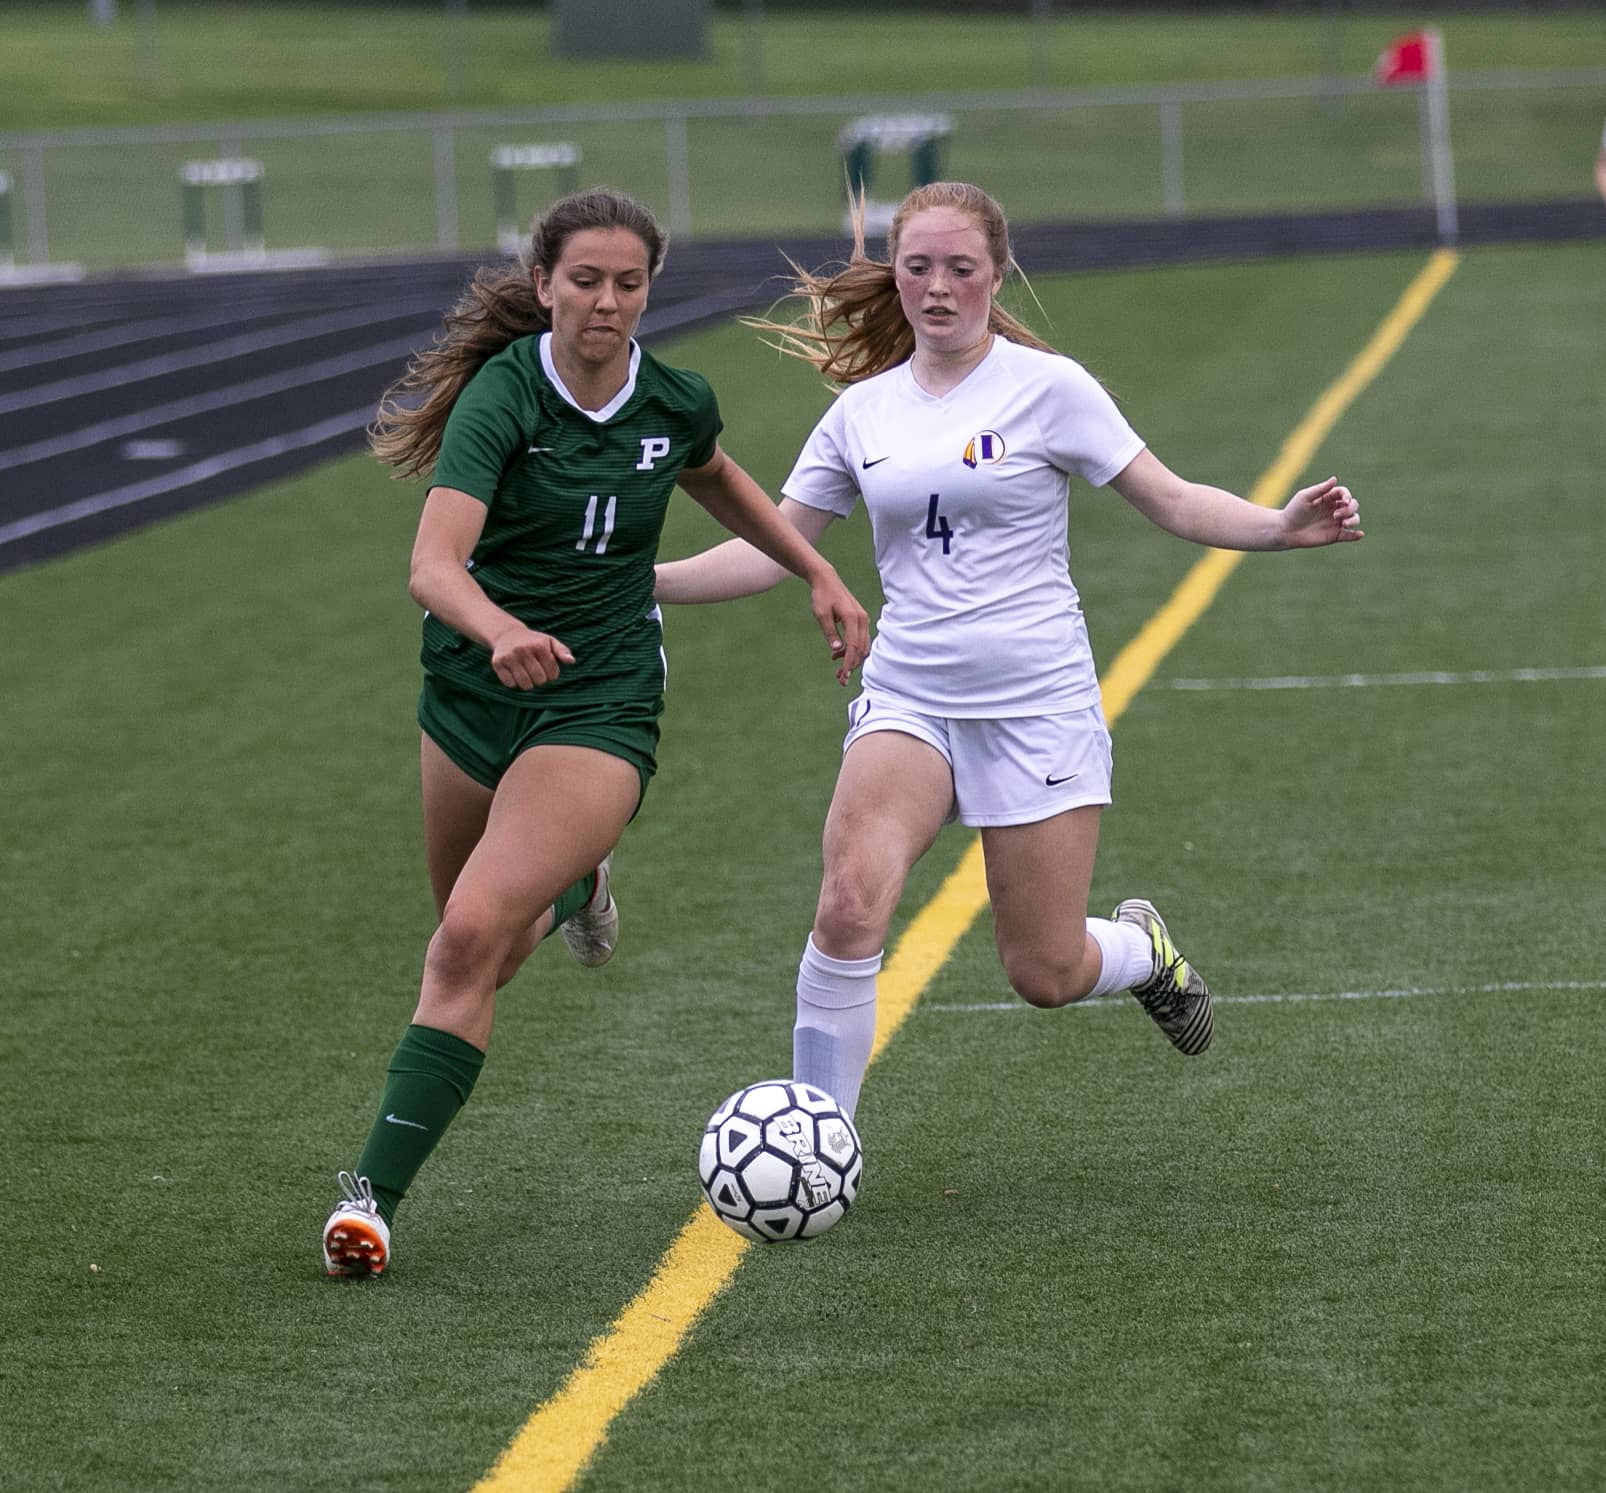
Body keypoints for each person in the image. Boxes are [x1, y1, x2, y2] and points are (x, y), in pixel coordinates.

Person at [654, 181, 1362, 1124]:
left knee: (1045, 969)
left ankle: (1144, 951)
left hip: (1037, 703)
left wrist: (1280, 527)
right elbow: (774, 545)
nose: (938, 288)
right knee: (849, 904)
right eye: (918, 269)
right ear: (895, 277)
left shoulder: (1050, 389)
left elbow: (1174, 498)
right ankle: (822, 1139)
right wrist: (639, 579)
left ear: (997, 273)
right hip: (910, 697)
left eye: (961, 269)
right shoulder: (862, 414)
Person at [320, 188, 869, 1277]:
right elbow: (433, 567)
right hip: (472, 689)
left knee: (467, 937)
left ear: (647, 290)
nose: (606, 301)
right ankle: (579, 886)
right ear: (543, 286)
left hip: (599, 697)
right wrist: (496, 627)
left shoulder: (674, 397)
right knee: (481, 942)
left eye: (627, 283)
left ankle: (369, 1202)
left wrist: (814, 568)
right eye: (584, 280)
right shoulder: (501, 398)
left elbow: (714, 477)